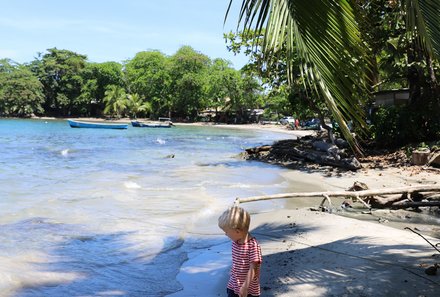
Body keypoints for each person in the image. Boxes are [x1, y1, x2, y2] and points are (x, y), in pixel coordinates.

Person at [218, 206, 262, 297]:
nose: (225, 234)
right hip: (233, 284)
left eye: (226, 231)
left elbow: (253, 268)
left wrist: (245, 287)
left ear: (237, 231)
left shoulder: (253, 246)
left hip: (248, 288)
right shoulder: (235, 242)